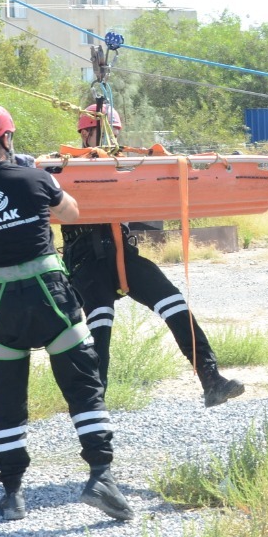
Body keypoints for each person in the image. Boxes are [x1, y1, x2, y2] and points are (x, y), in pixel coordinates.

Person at [0, 104, 133, 523]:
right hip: (52, 297)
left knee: (8, 395)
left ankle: (12, 494)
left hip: (3, 305)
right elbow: (71, 212)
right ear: (8, 138)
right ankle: (101, 475)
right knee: (82, 384)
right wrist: (41, 177)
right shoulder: (34, 178)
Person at [60, 103, 245, 409]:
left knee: (174, 302)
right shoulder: (66, 167)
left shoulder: (126, 167)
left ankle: (211, 379)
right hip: (86, 262)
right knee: (100, 325)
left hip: (123, 255)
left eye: (113, 132)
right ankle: (93, 402)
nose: (110, 138)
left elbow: (162, 174)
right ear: (84, 134)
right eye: (102, 132)